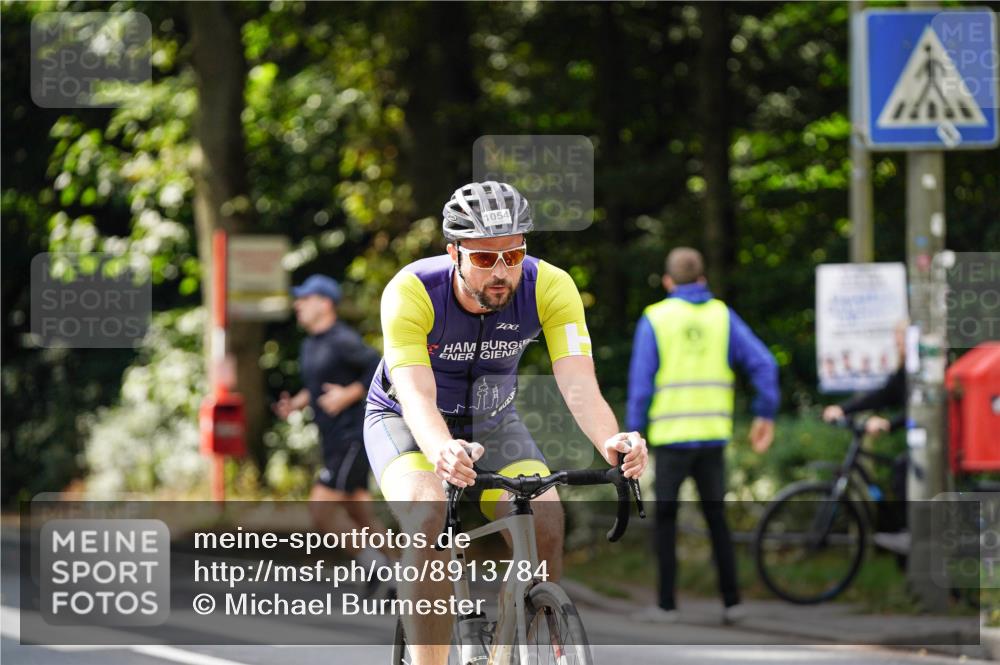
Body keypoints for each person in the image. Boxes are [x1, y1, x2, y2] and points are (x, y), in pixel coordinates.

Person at [363, 181, 649, 665]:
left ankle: (507, 654)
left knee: (546, 520)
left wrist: (611, 438)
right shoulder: (412, 291)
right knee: (429, 516)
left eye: (513, 255)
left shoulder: (550, 286)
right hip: (405, 421)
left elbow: (578, 381)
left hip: (493, 422)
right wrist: (441, 450)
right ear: (453, 253)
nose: (501, 272)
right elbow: (415, 394)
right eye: (483, 258)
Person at [626, 247, 779, 624]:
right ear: (702, 279)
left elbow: (641, 387)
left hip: (671, 439)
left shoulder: (655, 318)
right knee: (717, 518)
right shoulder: (722, 316)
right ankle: (732, 603)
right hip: (712, 438)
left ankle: (666, 606)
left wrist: (633, 435)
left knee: (665, 519)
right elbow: (764, 363)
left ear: (667, 282)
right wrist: (765, 413)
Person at [272, 274, 391, 590]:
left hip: (351, 438)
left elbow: (380, 367)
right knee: (360, 513)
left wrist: (348, 394)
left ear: (325, 304)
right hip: (332, 439)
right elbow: (317, 387)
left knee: (320, 510)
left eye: (305, 299)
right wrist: (296, 404)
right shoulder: (310, 344)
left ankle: (378, 567)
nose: (298, 305)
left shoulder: (342, 339)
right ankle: (405, 575)